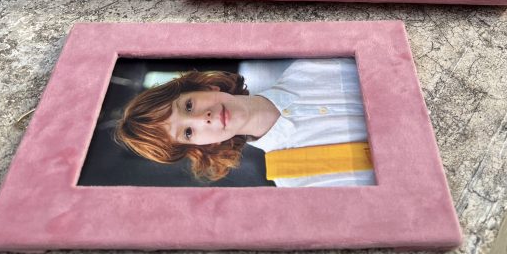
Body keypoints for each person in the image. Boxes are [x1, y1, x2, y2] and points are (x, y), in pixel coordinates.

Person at [116, 58, 375, 187]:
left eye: (188, 106)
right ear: (204, 145)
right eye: (188, 132)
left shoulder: (312, 67)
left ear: (206, 87)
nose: (202, 118)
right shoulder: (296, 180)